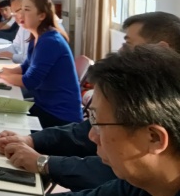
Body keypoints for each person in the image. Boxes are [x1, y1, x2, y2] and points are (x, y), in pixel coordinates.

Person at [0, 11, 180, 192]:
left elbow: (106, 172)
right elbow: (84, 133)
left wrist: (43, 162)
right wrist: (31, 140)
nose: (121, 51)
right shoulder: (137, 183)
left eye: (128, 44)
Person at [65, 45, 180, 196]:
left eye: (98, 123)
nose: (92, 136)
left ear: (154, 138)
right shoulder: (139, 184)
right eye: (92, 117)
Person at [0, 0, 83, 128]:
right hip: (44, 106)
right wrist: (2, 68)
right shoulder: (36, 37)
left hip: (60, 116)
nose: (19, 15)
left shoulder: (50, 41)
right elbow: (24, 68)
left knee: (1, 123)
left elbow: (29, 81)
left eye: (26, 10)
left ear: (41, 15)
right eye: (19, 10)